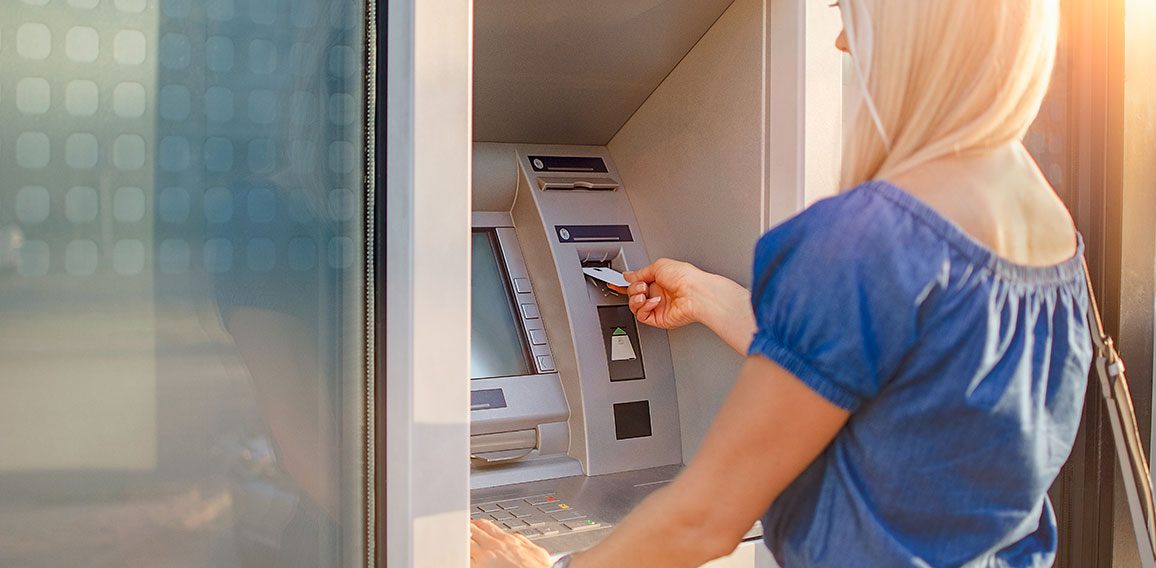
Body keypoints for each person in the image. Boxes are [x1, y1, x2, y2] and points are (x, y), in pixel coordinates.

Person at [470, 0, 1091, 567]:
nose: (843, 41)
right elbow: (905, 379)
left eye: (853, 12)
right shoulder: (1047, 221)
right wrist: (711, 298)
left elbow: (705, 521)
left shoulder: (869, 236)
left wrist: (547, 567)